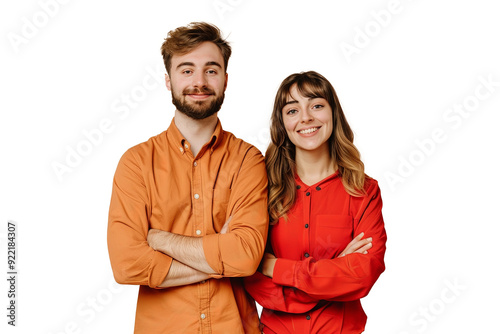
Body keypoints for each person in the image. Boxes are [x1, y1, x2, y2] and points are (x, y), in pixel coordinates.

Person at [107, 22, 268, 334]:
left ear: (225, 79)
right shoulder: (136, 163)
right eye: (186, 70)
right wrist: (220, 257)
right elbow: (126, 264)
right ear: (168, 80)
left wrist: (161, 240)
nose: (199, 81)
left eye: (211, 70)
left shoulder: (248, 159)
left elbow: (246, 257)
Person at [244, 71, 387, 333]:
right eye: (292, 110)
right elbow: (249, 275)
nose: (306, 117)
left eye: (317, 105)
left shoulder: (364, 191)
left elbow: (364, 274)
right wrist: (332, 275)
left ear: (333, 114)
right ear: (282, 123)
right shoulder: (262, 189)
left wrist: (275, 266)